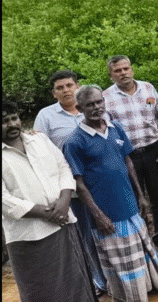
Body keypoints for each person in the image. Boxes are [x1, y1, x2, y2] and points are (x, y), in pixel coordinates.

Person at [63, 86, 158, 302]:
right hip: (106, 211)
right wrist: (98, 215)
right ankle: (131, 296)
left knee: (141, 247)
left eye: (99, 102)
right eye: (90, 104)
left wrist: (140, 195)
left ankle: (150, 286)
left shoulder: (116, 127)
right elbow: (79, 184)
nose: (96, 107)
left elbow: (128, 161)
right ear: (79, 108)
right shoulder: (74, 141)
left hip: (128, 203)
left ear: (104, 102)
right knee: (120, 259)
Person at [3, 99, 98, 302]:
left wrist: (64, 202)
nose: (11, 124)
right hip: (28, 236)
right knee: (40, 289)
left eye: (14, 118)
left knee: (76, 282)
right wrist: (49, 214)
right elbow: (4, 200)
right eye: (4, 121)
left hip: (64, 223)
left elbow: (64, 168)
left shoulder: (40, 140)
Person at [33, 70, 109, 295]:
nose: (66, 90)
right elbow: (39, 152)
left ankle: (113, 275)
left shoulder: (95, 109)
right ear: (53, 93)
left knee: (106, 230)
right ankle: (97, 281)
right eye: (60, 87)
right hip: (73, 190)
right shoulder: (46, 117)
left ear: (77, 86)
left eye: (69, 85)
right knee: (85, 237)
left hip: (101, 184)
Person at [103, 55, 158, 248]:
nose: (123, 73)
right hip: (127, 156)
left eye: (126, 68)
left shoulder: (148, 88)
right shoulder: (106, 98)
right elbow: (107, 130)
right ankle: (143, 239)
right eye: (118, 71)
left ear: (131, 69)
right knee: (135, 197)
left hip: (153, 150)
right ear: (111, 75)